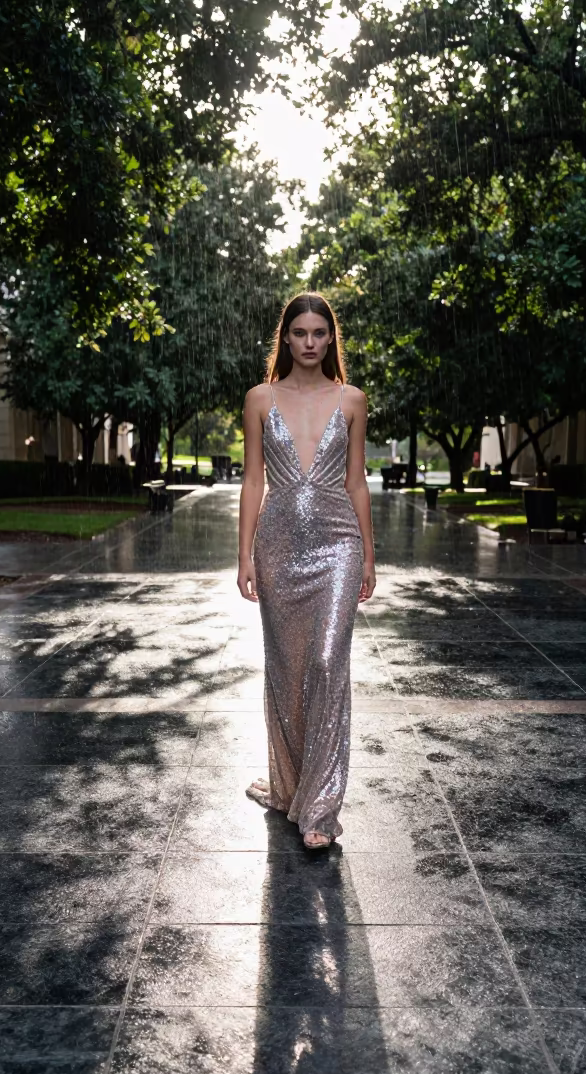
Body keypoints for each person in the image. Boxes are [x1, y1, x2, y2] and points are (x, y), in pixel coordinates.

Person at [237, 292, 376, 850]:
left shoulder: (352, 400)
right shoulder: (259, 398)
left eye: (321, 333)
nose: (312, 343)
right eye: (301, 333)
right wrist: (243, 554)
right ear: (287, 338)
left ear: (330, 338)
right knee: (288, 668)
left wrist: (367, 553)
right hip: (277, 546)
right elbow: (253, 482)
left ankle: (320, 808)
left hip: (339, 543)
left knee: (325, 661)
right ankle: (290, 786)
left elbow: (357, 481)